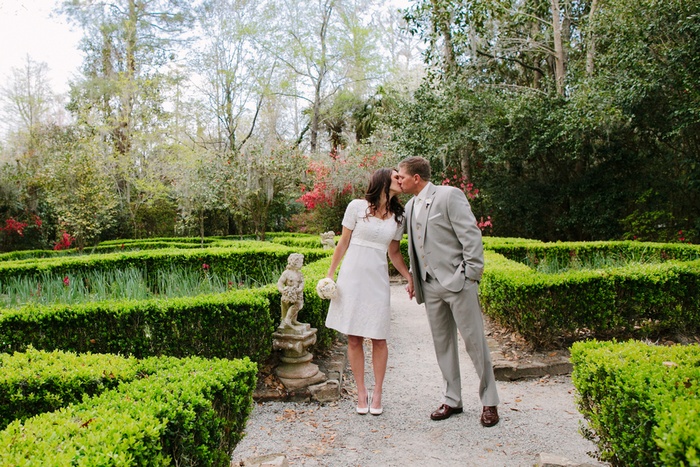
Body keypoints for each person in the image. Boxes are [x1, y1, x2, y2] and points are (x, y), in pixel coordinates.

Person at [397, 156, 500, 427]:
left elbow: (471, 236)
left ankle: (489, 402)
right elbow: (417, 245)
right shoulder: (409, 205)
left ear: (416, 178)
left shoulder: (449, 196)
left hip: (457, 282)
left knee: (474, 342)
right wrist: (413, 277)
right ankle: (452, 399)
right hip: (429, 286)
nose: (399, 180)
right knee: (442, 344)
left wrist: (470, 275)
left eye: (402, 176)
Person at [325, 168, 414, 416]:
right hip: (352, 276)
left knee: (379, 337)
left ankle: (378, 392)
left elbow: (394, 253)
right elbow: (343, 242)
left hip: (377, 278)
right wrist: (330, 274)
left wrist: (408, 277)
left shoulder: (399, 216)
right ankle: (361, 391)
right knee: (353, 337)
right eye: (396, 176)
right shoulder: (356, 207)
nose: (400, 180)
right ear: (383, 181)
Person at [277, 253, 305, 329]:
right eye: (301, 262)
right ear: (294, 263)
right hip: (289, 294)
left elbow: (302, 283)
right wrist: (282, 290)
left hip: (298, 294)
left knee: (299, 304)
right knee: (297, 305)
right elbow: (280, 283)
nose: (302, 264)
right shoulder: (286, 273)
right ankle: (288, 319)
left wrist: (300, 289)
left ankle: (293, 320)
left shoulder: (299, 273)